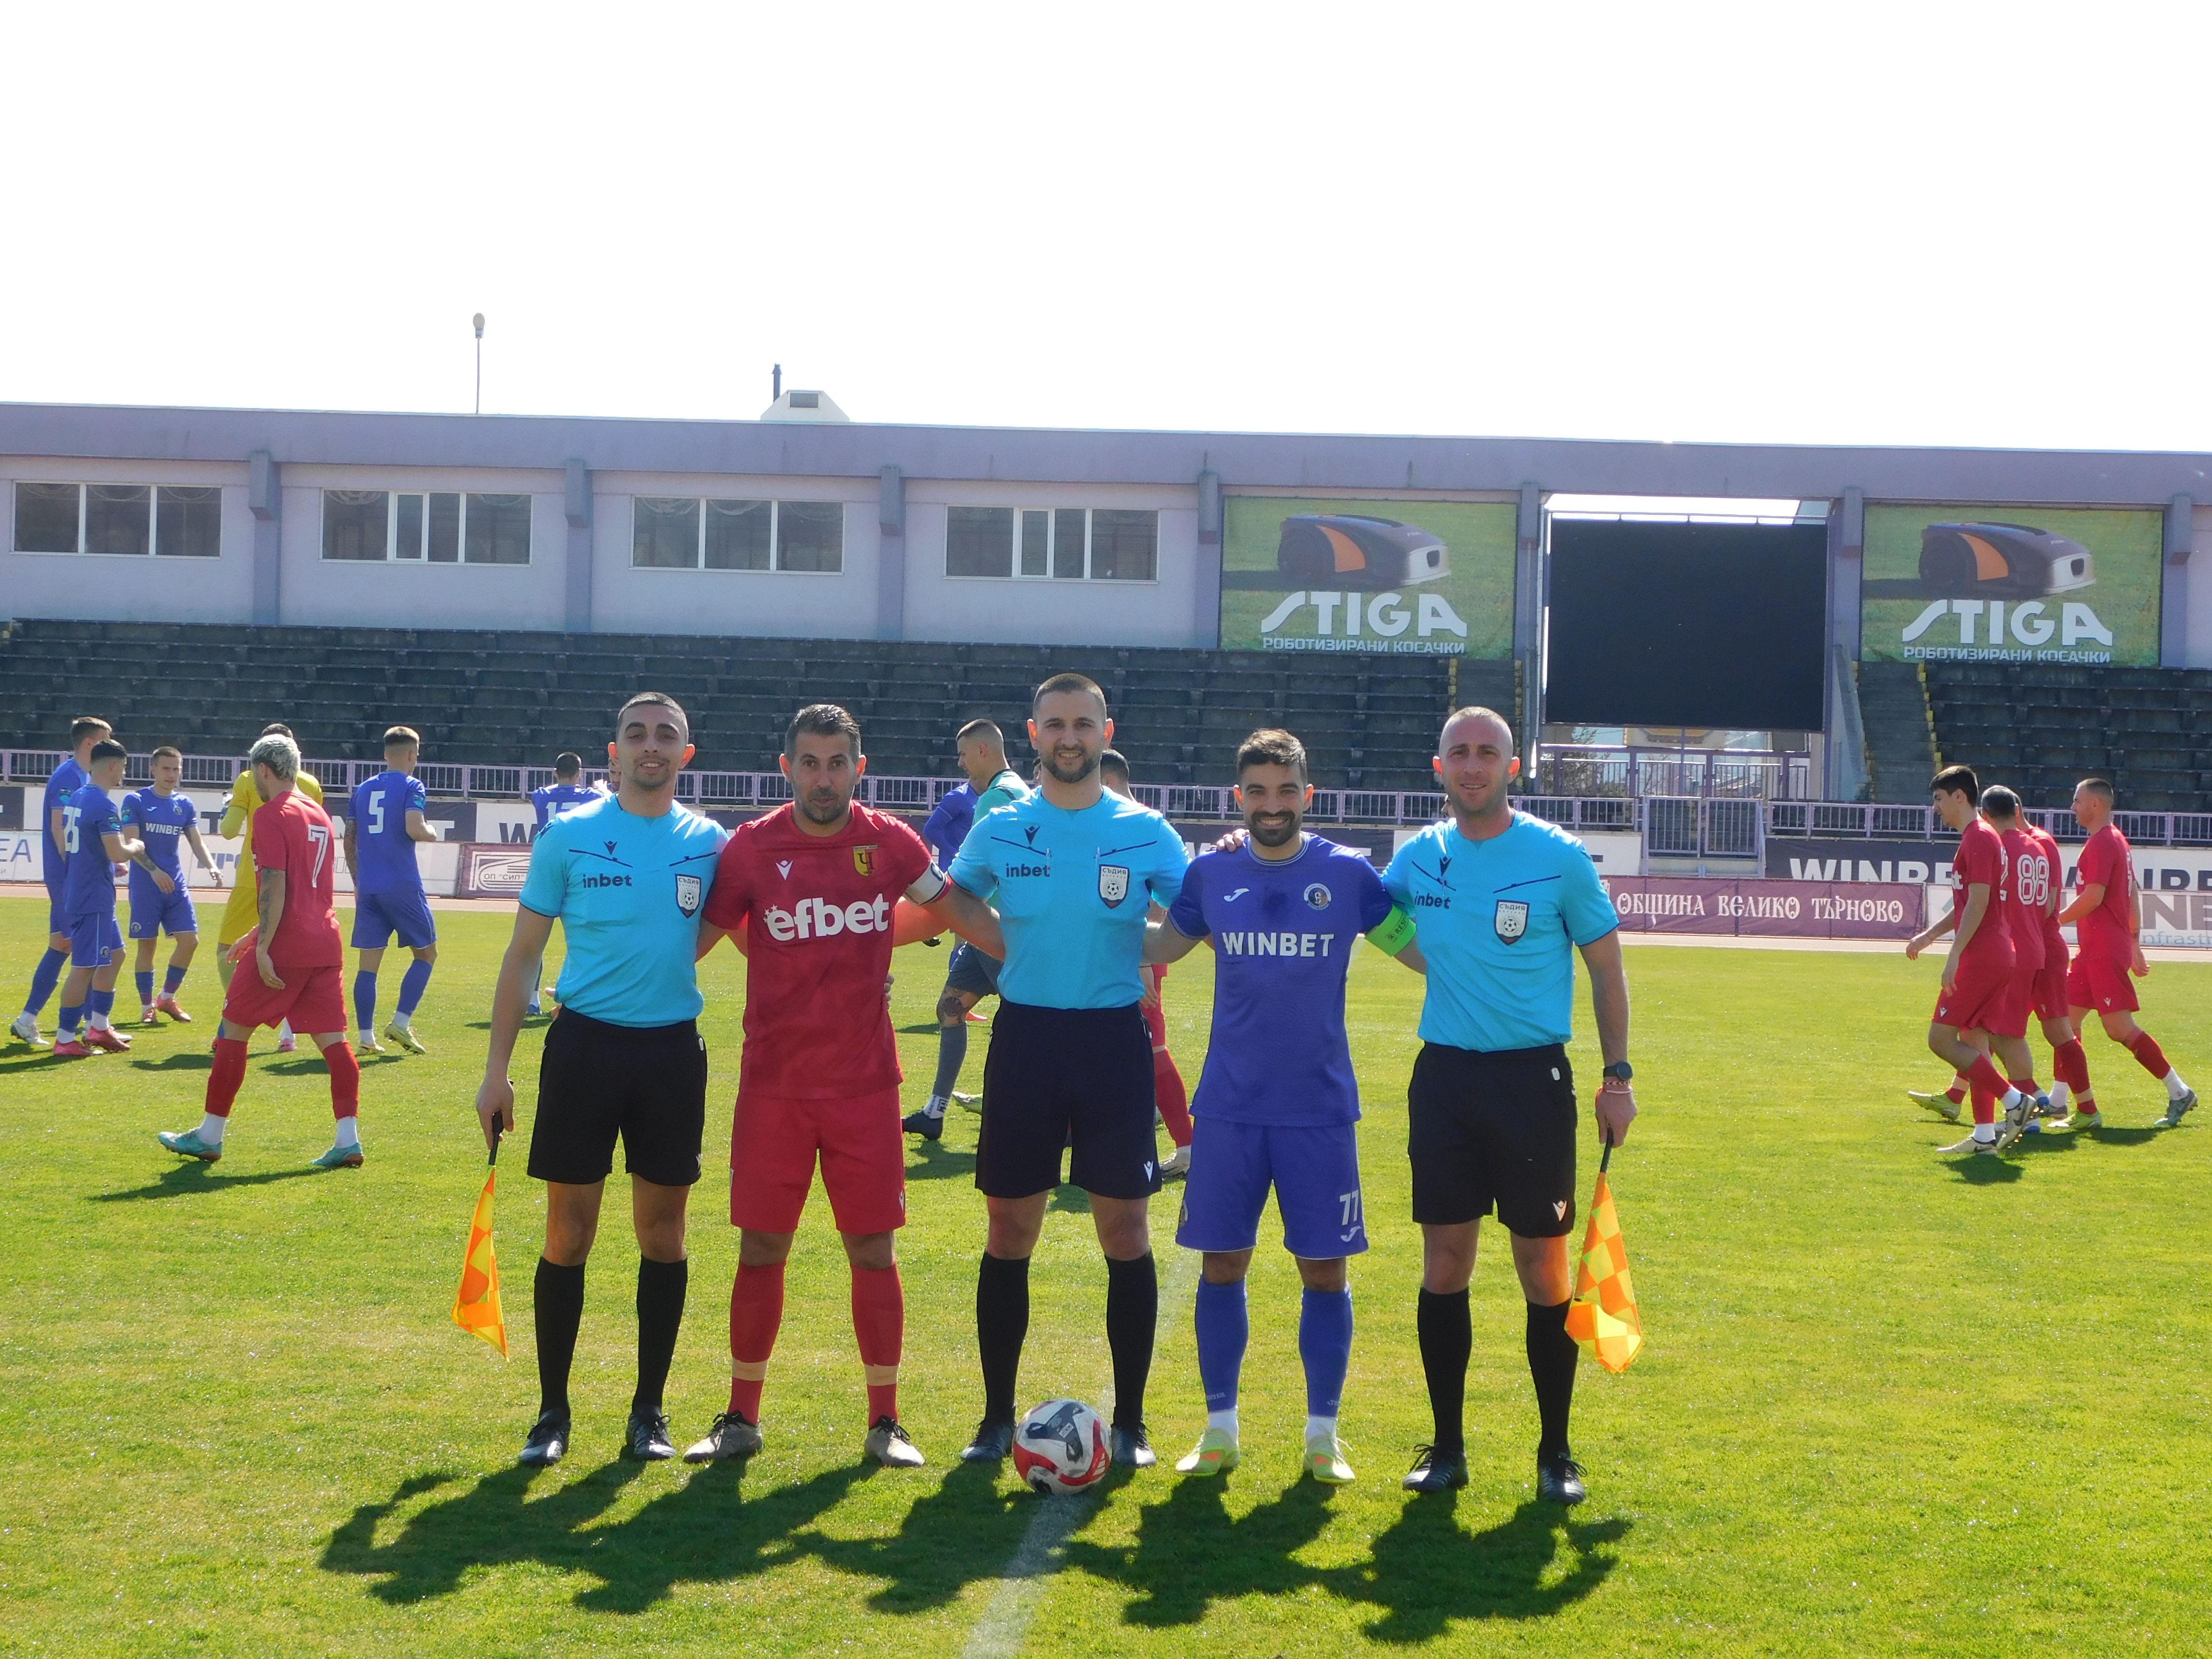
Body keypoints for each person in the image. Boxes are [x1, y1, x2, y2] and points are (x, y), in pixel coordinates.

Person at [684, 704, 1001, 1470]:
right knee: (762, 1248)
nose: (823, 779)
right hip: (774, 1087)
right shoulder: (751, 848)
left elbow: (951, 908)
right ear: (786, 767)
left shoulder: (889, 842)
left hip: (865, 1087)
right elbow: (698, 938)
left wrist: (1040, 952)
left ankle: (886, 1421)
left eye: (837, 764)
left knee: (873, 1250)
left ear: (859, 769)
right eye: (810, 763)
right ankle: (741, 1417)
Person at [1143, 728, 1424, 1484]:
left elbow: (1418, 949)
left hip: (1319, 1110)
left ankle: (1323, 1437)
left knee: (1324, 1270)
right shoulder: (1211, 873)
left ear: (1308, 794)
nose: (1273, 805)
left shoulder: (1350, 876)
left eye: (1286, 790)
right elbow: (1163, 948)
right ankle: (1219, 1431)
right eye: (1259, 792)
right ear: (1239, 798)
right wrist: (1079, 916)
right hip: (1229, 1109)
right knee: (1222, 1264)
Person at [934, 673, 1189, 1469]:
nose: (1069, 737)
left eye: (1083, 724)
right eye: (1056, 724)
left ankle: (1133, 1423)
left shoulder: (1145, 829)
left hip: (1112, 1043)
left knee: (1125, 1232)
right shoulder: (1004, 826)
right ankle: (993, 1419)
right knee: (1009, 1231)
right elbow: (956, 900)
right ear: (1034, 733)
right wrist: (1012, 945)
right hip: (1027, 1041)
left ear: (1105, 732)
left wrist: (1144, 946)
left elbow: (1192, 916)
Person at [1384, 707, 1635, 1506]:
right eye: (1458, 752)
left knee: (1543, 1268)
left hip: (1533, 1085)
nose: (1472, 765)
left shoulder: (1558, 857)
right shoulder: (1418, 856)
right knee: (1444, 1264)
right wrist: (1434, 961)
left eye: (1486, 753)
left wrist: (1618, 1078)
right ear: (1438, 767)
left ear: (1512, 766)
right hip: (1444, 1082)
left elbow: (1605, 967)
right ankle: (1447, 1448)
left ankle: (1555, 1453)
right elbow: (1366, 912)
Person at [475, 693, 730, 1467]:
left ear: (686, 753)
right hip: (583, 1050)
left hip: (670, 1054)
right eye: (636, 734)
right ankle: (551, 1412)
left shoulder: (711, 844)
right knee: (568, 1234)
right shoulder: (569, 836)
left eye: (666, 735)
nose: (651, 746)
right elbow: (523, 955)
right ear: (614, 752)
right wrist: (495, 1072)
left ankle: (648, 1410)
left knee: (664, 1234)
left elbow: (736, 927)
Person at [156, 733, 362, 1169]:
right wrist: (256, 932)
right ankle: (349, 1140)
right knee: (334, 1042)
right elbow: (309, 889)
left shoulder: (271, 814)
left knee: (232, 1032)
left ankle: (210, 1136)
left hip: (286, 944)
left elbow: (275, 881)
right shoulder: (319, 813)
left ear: (264, 770)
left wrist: (265, 945)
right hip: (324, 941)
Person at [904, 719, 1032, 1140]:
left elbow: (977, 880)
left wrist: (943, 915)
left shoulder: (995, 798)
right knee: (951, 1008)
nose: (960, 764)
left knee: (1026, 1024)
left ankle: (1045, 1114)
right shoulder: (1017, 790)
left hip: (994, 930)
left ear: (982, 751)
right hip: (989, 931)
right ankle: (936, 1112)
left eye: (963, 754)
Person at [1904, 766, 2042, 1155]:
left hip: (1983, 955)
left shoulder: (1979, 837)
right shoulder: (1981, 836)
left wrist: (1954, 955)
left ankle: (2015, 1101)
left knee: (1940, 1039)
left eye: (1939, 799)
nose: (1936, 808)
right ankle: (1984, 1137)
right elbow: (1969, 902)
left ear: (1959, 797)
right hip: (1997, 952)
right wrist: (1930, 935)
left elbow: (1979, 903)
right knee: (1974, 1043)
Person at [2057, 778, 2194, 1127]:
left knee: (2119, 1029)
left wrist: (2053, 920)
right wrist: (2134, 942)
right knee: (2065, 1023)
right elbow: (2132, 891)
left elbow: (2094, 898)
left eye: (2077, 801)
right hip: (2096, 949)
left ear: (2095, 805)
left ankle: (2179, 1091)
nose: (2073, 807)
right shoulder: (2116, 840)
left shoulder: (2103, 842)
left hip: (2102, 950)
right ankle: (2063, 1103)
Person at [1101, 747, 1195, 1178]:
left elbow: (1160, 899)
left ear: (1108, 781)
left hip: (1138, 958)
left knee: (1153, 1049)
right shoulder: (1118, 823)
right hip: (1119, 956)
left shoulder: (1139, 825)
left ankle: (1188, 1147)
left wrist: (1142, 961)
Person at [217, 723, 324, 1053]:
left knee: (227, 952)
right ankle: (288, 1032)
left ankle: (231, 1024)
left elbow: (228, 831)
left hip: (255, 879)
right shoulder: (311, 784)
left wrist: (228, 808)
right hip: (301, 885)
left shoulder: (248, 779)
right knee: (290, 955)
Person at [13, 714, 111, 1048]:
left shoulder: (77, 775)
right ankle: (88, 1027)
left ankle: (28, 1020)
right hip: (67, 879)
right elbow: (60, 828)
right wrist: (76, 869)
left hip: (67, 878)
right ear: (90, 743)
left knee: (63, 945)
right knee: (89, 952)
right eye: (105, 740)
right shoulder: (69, 776)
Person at [345, 726, 441, 1055]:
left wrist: (357, 882)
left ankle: (365, 1037)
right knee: (426, 954)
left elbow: (349, 839)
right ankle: (401, 1022)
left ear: (386, 754)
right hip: (402, 885)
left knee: (367, 966)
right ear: (413, 754)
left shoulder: (362, 789)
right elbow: (415, 828)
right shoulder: (413, 785)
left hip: (368, 888)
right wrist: (431, 832)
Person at [50, 739, 142, 1058]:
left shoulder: (78, 796)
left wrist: (108, 863)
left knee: (116, 955)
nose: (124, 774)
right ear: (113, 765)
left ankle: (99, 1027)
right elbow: (118, 850)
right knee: (84, 968)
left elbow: (82, 844)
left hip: (84, 889)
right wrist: (134, 847)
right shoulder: (103, 804)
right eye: (124, 767)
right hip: (93, 897)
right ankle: (65, 1038)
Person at [123, 745, 215, 1024]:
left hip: (175, 885)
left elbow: (196, 841)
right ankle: (146, 1007)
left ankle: (166, 998)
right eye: (166, 768)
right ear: (153, 769)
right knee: (147, 948)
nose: (172, 774)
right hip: (146, 885)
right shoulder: (136, 800)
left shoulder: (183, 804)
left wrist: (211, 865)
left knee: (190, 941)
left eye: (176, 769)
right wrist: (154, 871)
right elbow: (131, 842)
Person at [523, 753, 603, 1016]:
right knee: (583, 938)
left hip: (545, 865)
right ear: (580, 773)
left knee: (534, 940)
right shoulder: (591, 797)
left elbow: (542, 795)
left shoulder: (541, 795)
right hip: (578, 869)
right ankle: (576, 996)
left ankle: (532, 1000)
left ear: (555, 772)